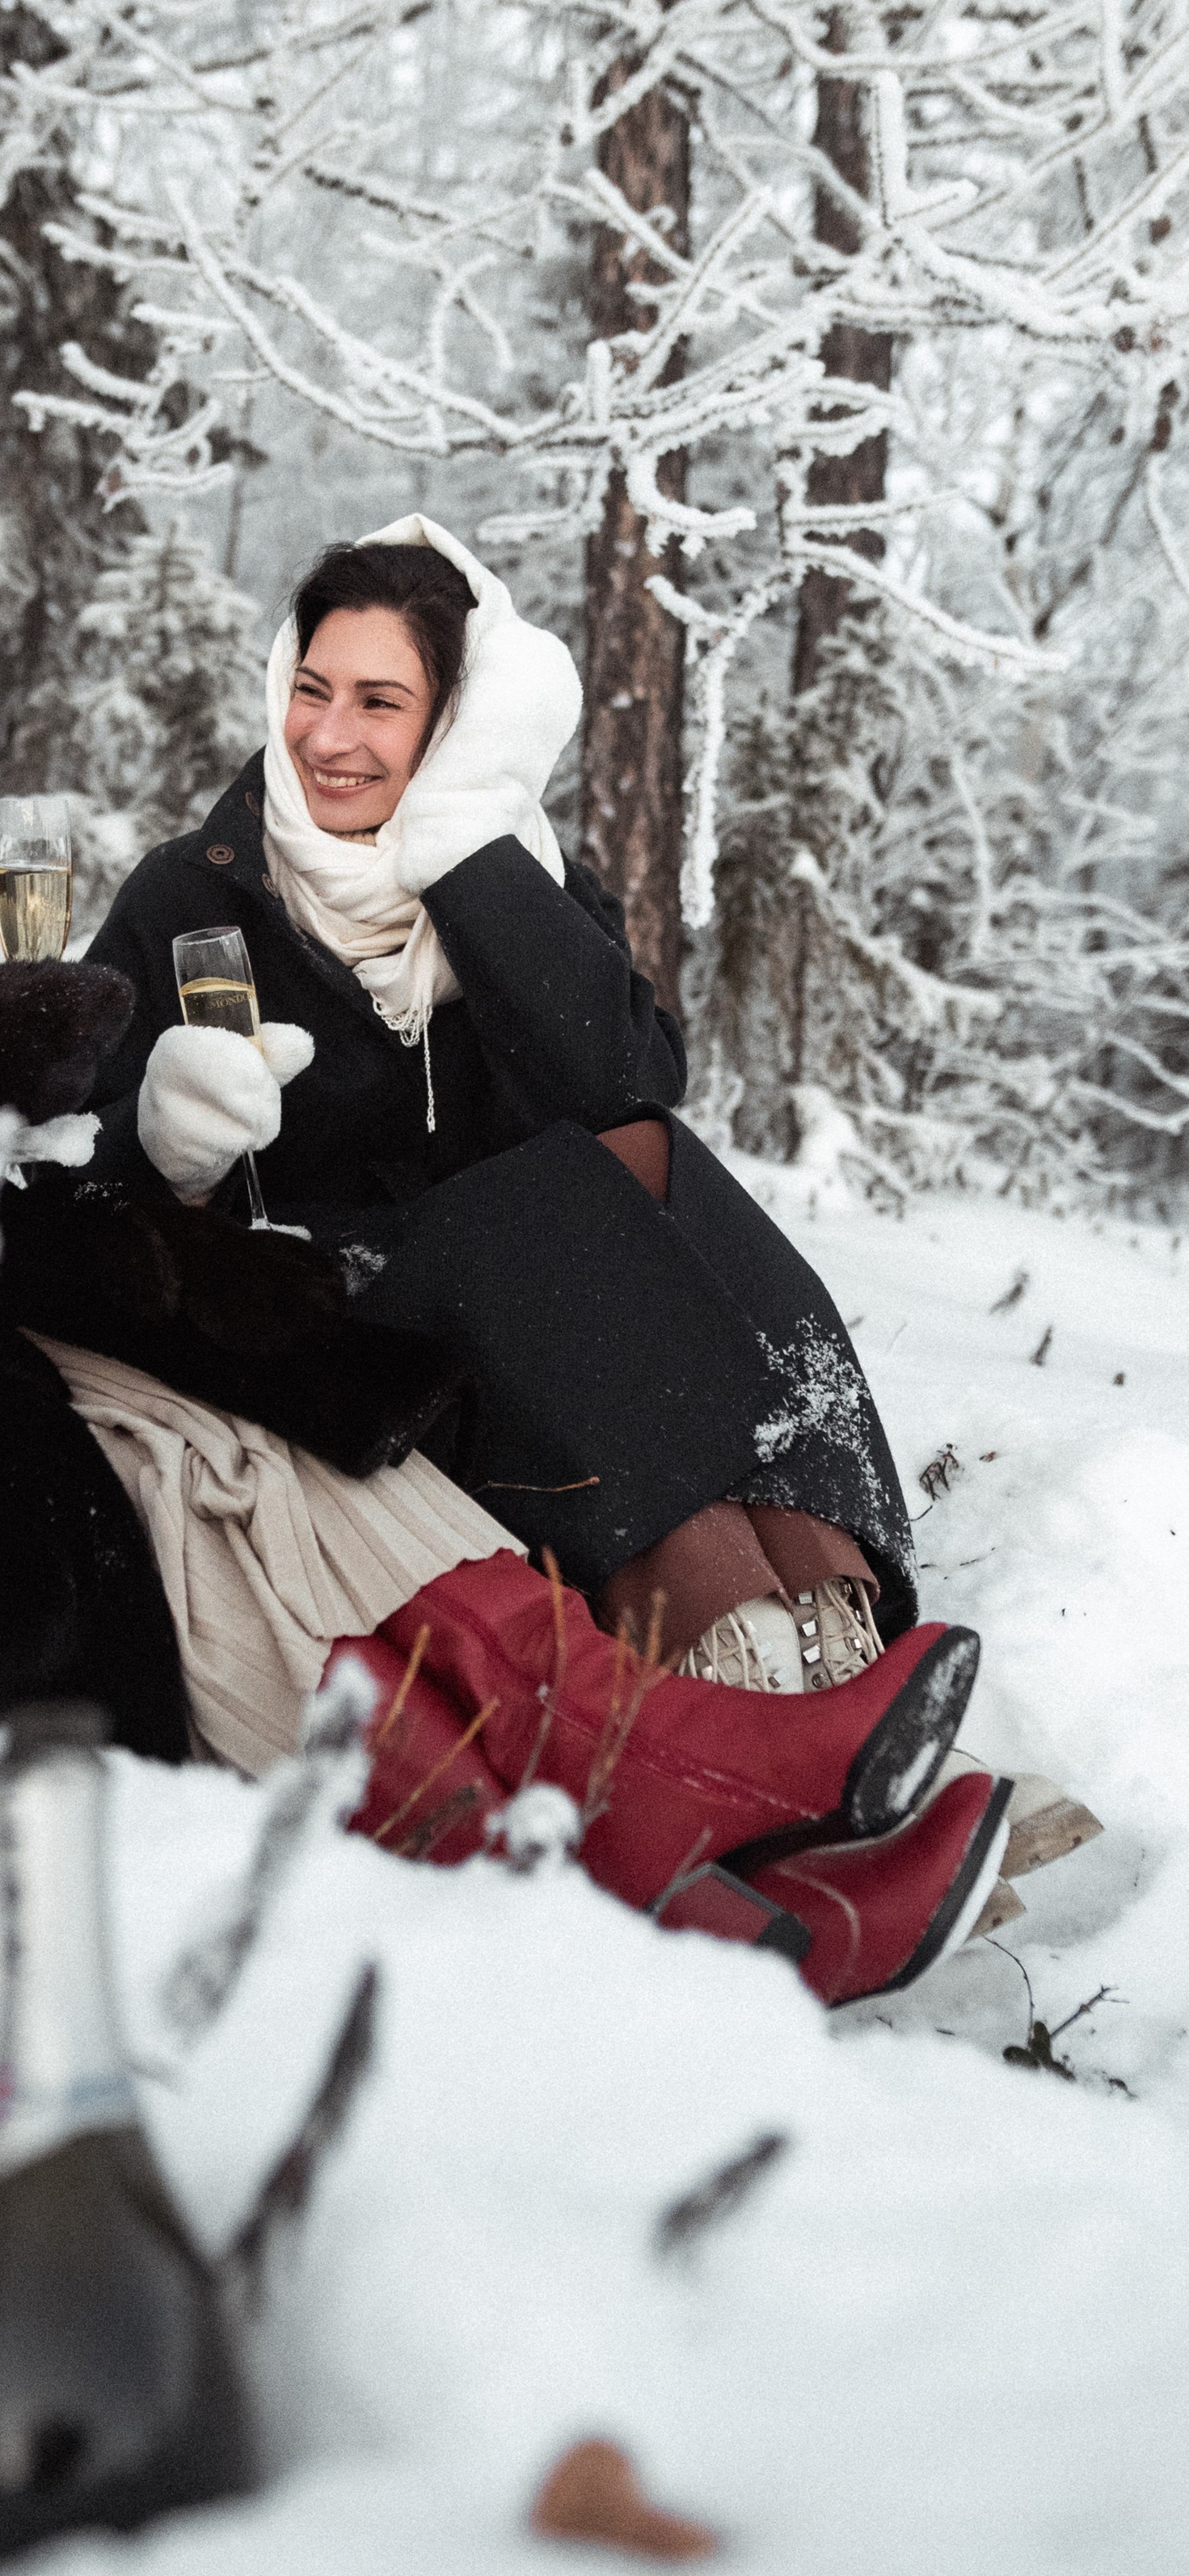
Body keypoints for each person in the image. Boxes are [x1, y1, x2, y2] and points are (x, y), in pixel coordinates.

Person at [0, 471, 1026, 2004]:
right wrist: (32, 1118)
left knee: (437, 1323)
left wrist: (122, 1239)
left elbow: (616, 1075)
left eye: (384, 702)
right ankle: (672, 1811)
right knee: (211, 1471)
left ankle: (719, 1754)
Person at [80, 514, 1099, 1899]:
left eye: (384, 704)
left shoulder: (507, 878)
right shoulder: (191, 901)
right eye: (313, 689)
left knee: (650, 1166)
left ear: (452, 729)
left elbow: (623, 1077)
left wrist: (457, 846)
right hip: (334, 1326)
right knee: (561, 1215)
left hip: (553, 1337)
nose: (329, 737)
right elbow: (79, 1195)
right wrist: (169, 1141)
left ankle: (840, 1674)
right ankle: (758, 1714)